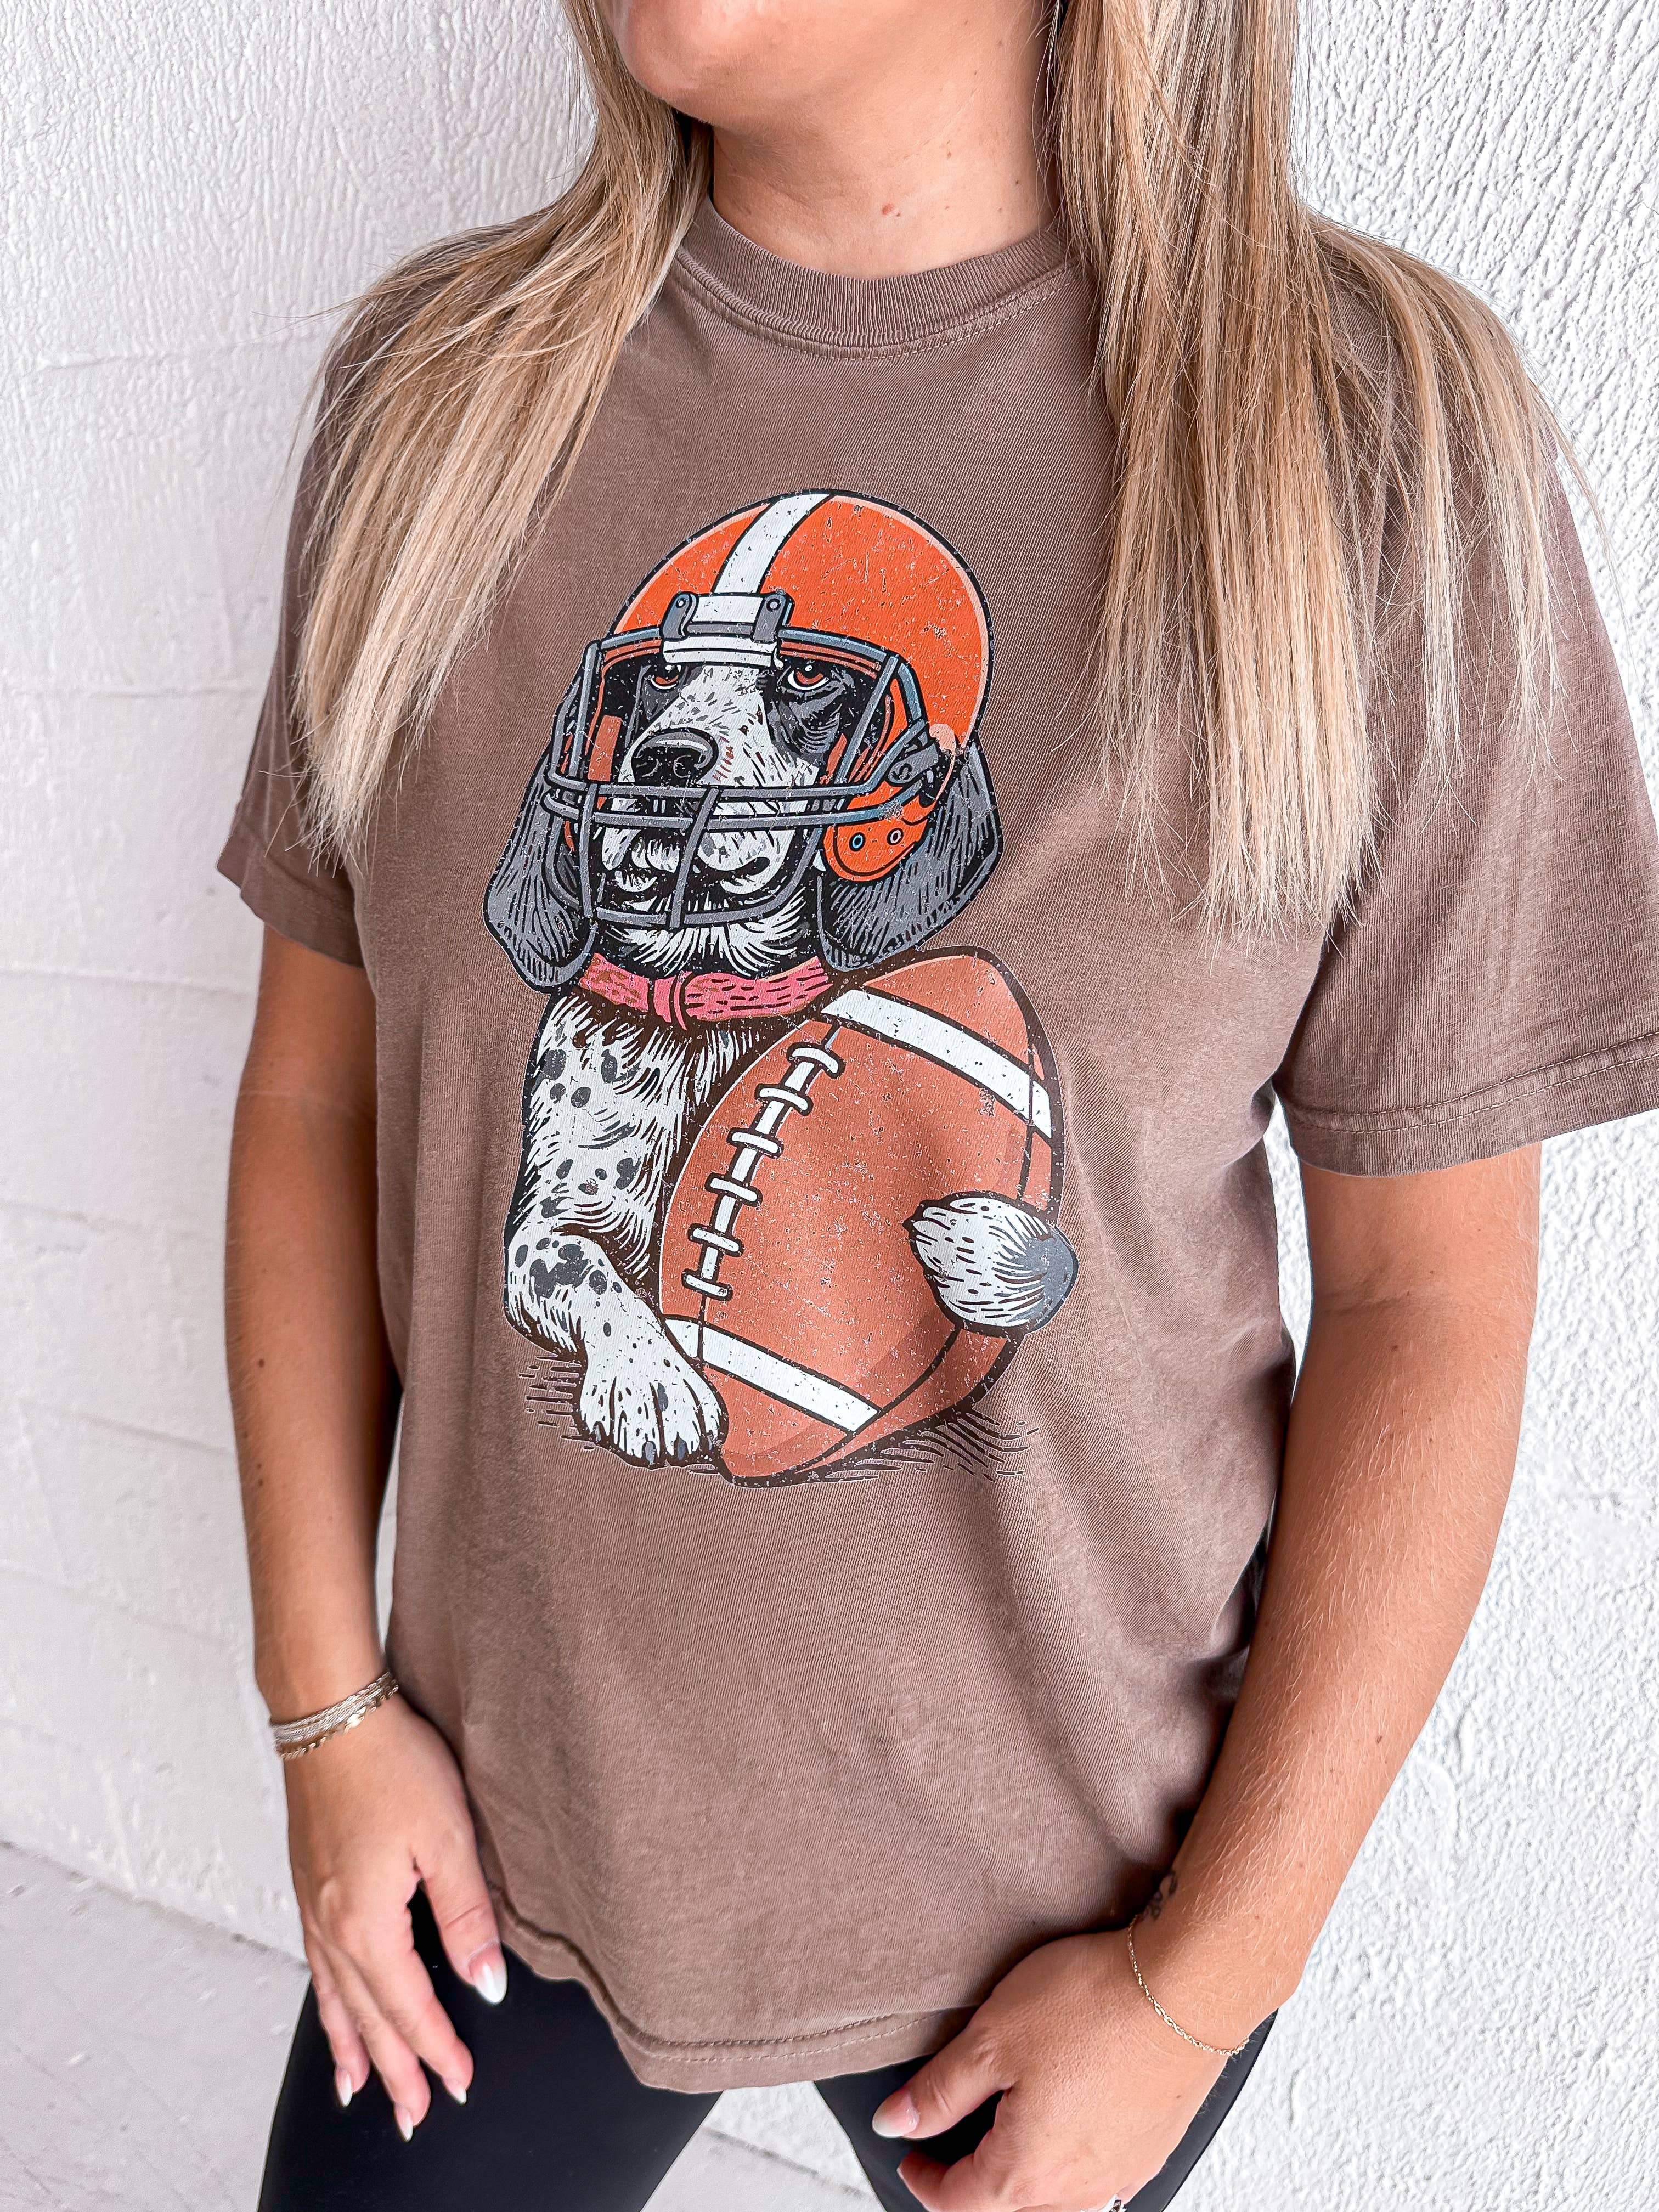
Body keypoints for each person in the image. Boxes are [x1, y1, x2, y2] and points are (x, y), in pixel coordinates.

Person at [221, 4, 1659, 2208]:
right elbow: (322, 1102)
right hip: (502, 1841)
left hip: (1082, 1896)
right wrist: (326, 1720)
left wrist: (1197, 1983)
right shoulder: (439, 405)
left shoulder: (1370, 445)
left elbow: (1429, 1302)